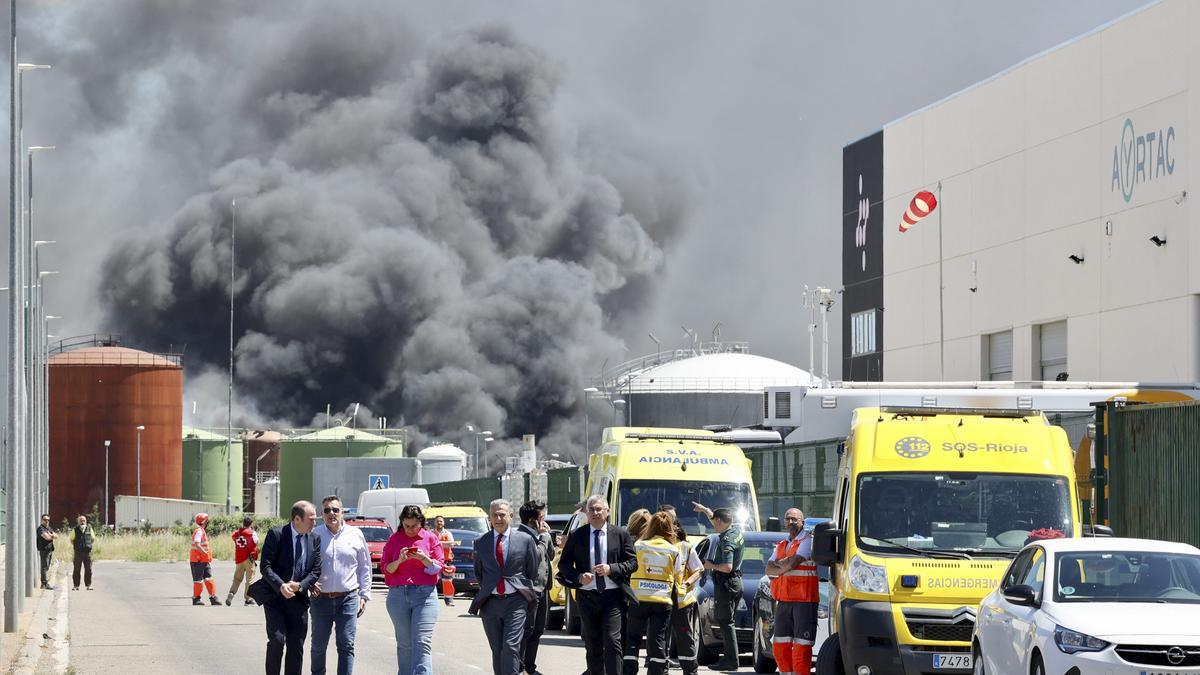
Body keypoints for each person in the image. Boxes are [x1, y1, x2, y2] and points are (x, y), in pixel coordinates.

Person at [556, 495, 637, 675]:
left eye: (599, 509)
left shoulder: (620, 534)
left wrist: (612, 568)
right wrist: (578, 576)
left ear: (607, 512)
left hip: (613, 596)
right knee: (593, 644)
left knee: (612, 640)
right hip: (587, 597)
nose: (595, 513)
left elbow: (633, 563)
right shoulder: (578, 535)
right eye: (591, 509)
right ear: (586, 512)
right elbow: (564, 564)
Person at [471, 499, 538, 675]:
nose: (499, 518)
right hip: (490, 603)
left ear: (511, 515)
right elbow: (480, 573)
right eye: (495, 515)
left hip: (516, 602)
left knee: (510, 646)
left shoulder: (525, 540)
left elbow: (532, 570)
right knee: (498, 649)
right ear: (490, 517)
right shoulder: (481, 542)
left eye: (502, 514)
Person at [310, 495, 372, 675]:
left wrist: (364, 595)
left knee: (346, 645)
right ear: (322, 513)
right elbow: (304, 565)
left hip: (348, 598)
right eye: (327, 510)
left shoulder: (355, 534)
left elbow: (365, 567)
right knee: (318, 646)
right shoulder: (315, 535)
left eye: (335, 510)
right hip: (320, 600)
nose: (331, 513)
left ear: (342, 512)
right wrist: (309, 584)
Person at [260, 500, 322, 675]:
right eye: (311, 519)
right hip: (275, 600)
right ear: (297, 519)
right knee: (277, 640)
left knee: (296, 645)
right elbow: (265, 566)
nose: (314, 522)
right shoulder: (277, 534)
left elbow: (316, 569)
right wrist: (281, 586)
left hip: (299, 600)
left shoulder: (314, 539)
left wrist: (301, 585)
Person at [382, 504, 445, 675]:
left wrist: (424, 558)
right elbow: (386, 569)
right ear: (401, 522)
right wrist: (400, 560)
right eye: (406, 525)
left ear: (421, 523)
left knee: (422, 642)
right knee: (404, 645)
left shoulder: (431, 538)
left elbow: (438, 567)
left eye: (414, 526)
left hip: (424, 595)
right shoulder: (394, 539)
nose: (410, 530)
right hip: (398, 595)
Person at [623, 512, 680, 675]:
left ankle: (629, 671)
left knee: (633, 638)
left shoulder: (639, 546)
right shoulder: (673, 550)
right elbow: (677, 574)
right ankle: (657, 672)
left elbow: (629, 569)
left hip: (638, 599)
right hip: (662, 601)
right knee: (658, 639)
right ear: (669, 529)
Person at [764, 508, 818, 675]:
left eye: (795, 519)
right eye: (788, 519)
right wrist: (783, 565)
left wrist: (780, 566)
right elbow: (768, 569)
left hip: (804, 600)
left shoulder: (808, 541)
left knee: (801, 648)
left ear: (802, 522)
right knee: (779, 647)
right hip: (784, 601)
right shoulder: (782, 544)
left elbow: (792, 564)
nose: (791, 522)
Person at [692, 502, 744, 672]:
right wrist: (705, 510)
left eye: (715, 522)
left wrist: (710, 565)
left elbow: (727, 567)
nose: (713, 524)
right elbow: (715, 516)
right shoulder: (735, 530)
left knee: (725, 623)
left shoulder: (727, 540)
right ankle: (730, 659)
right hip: (735, 583)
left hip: (726, 583)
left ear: (721, 521)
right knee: (728, 622)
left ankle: (731, 661)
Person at [518, 500, 555, 675]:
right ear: (533, 520)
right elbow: (537, 557)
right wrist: (544, 538)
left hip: (543, 588)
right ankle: (520, 667)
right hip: (529, 590)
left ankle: (530, 667)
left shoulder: (540, 534)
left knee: (538, 630)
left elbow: (551, 554)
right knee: (527, 630)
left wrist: (546, 537)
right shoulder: (522, 536)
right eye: (542, 517)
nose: (544, 520)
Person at [670, 520, 703, 675]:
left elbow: (698, 570)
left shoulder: (685, 547)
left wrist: (687, 582)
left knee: (684, 636)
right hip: (660, 599)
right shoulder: (657, 546)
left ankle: (690, 670)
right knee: (659, 636)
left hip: (682, 600)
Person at [227, 515, 260, 606]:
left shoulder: (237, 533)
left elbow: (234, 538)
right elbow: (257, 542)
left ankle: (231, 593)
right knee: (250, 579)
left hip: (239, 559)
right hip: (249, 559)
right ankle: (248, 599)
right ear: (251, 524)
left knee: (237, 579)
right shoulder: (252, 533)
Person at [190, 512, 221, 606]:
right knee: (198, 580)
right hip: (198, 560)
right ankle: (196, 599)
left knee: (208, 578)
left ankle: (213, 597)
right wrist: (204, 552)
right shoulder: (199, 531)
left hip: (204, 560)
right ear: (205, 522)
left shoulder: (201, 530)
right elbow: (197, 543)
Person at [431, 516, 456, 607]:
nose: (439, 523)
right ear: (434, 523)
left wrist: (437, 543)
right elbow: (429, 544)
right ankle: (431, 600)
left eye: (441, 521)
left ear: (443, 523)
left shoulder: (448, 533)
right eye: (437, 521)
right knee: (431, 581)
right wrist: (444, 544)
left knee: (448, 582)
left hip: (446, 562)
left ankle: (449, 600)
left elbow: (451, 543)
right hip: (433, 561)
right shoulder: (431, 533)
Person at [71, 515, 95, 591]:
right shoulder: (75, 529)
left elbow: (92, 539)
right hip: (78, 553)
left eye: (84, 520)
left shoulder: (89, 529)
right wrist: (77, 546)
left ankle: (88, 585)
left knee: (88, 569)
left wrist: (87, 546)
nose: (82, 522)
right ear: (78, 521)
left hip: (88, 553)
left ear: (86, 521)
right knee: (76, 569)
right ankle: (76, 585)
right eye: (81, 520)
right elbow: (71, 540)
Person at [36, 514, 57, 590]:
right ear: (41, 520)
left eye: (48, 520)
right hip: (44, 550)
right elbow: (47, 537)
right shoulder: (40, 529)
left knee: (47, 566)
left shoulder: (48, 528)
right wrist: (51, 535)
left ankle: (44, 583)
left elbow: (56, 536)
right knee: (44, 567)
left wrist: (50, 535)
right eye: (45, 520)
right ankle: (44, 583)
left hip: (49, 549)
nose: (47, 521)